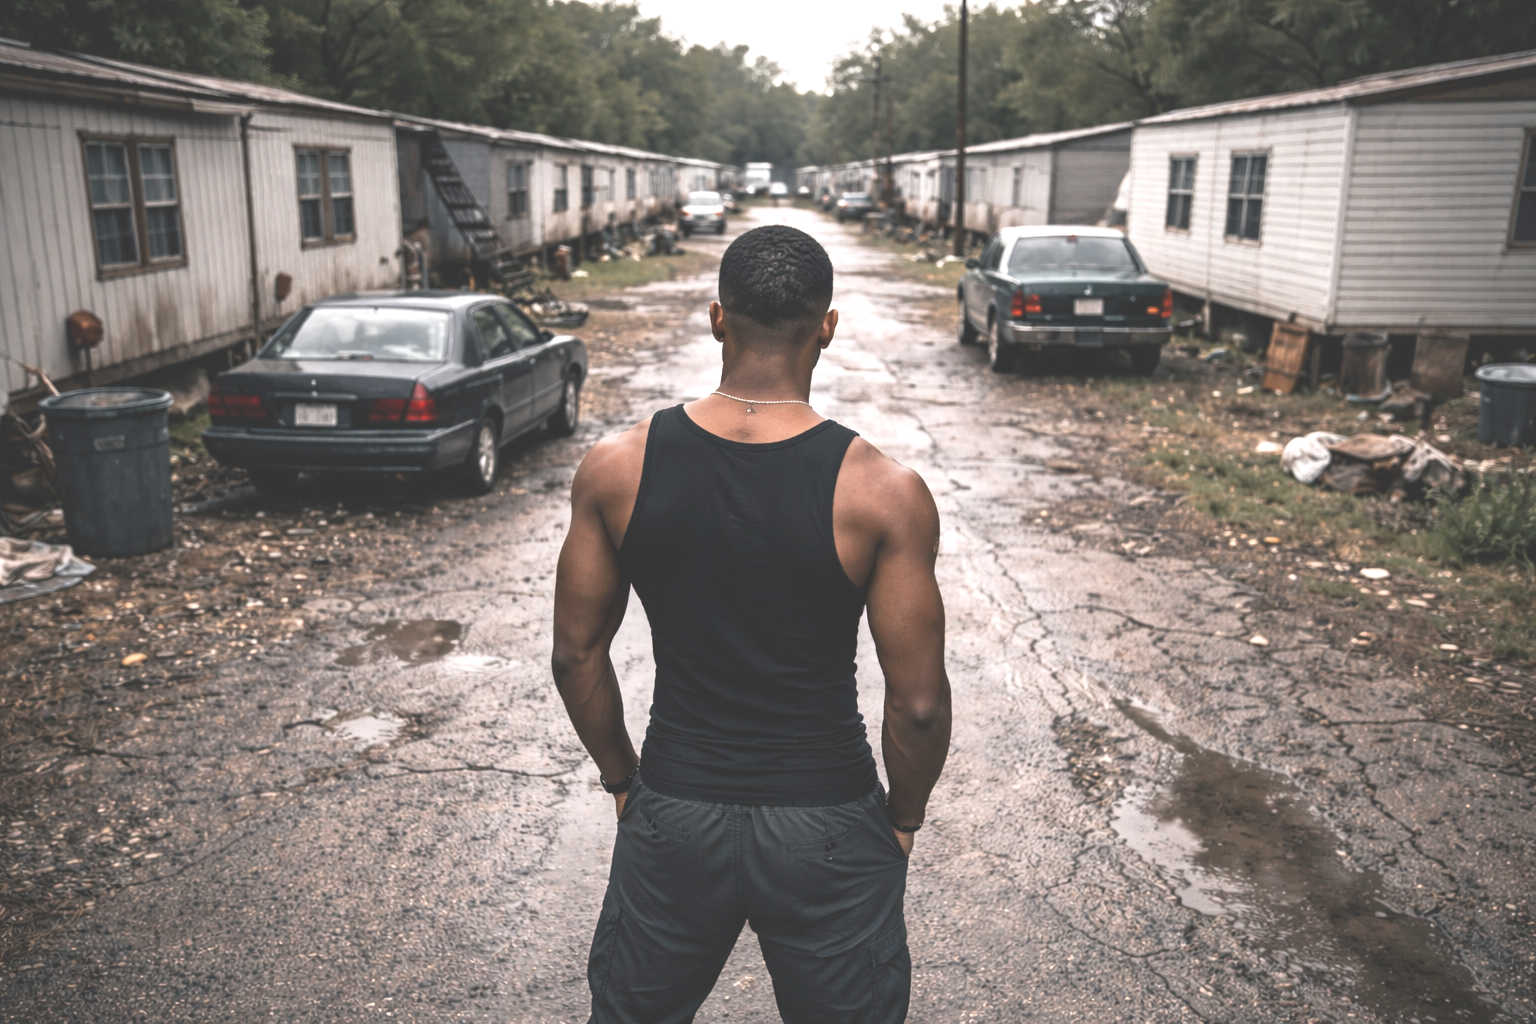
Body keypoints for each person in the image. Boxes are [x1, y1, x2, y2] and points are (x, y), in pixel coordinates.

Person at [552, 224, 951, 1023]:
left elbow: (575, 655)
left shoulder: (619, 467)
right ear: (827, 327)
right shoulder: (881, 491)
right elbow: (916, 704)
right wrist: (900, 823)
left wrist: (624, 780)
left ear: (716, 318)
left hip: (675, 809)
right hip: (827, 821)